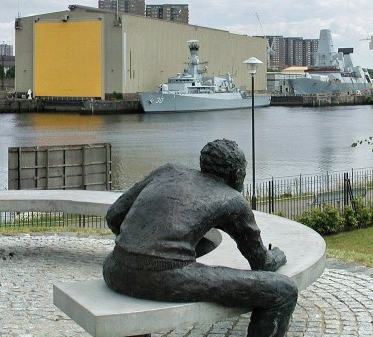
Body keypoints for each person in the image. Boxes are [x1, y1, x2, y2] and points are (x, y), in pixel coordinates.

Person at [103, 139, 298, 337]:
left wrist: (139, 245)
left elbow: (114, 217)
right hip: (165, 277)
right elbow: (261, 263)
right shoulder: (232, 199)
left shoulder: (167, 170)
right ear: (238, 173)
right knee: (283, 291)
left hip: (115, 269)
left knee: (204, 245)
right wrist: (277, 256)